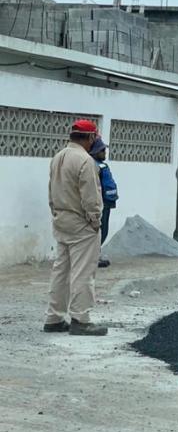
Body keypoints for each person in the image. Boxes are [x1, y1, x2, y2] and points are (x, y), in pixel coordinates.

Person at [44, 120, 108, 336]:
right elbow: (91, 197)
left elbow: (51, 190)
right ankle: (80, 319)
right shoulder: (85, 161)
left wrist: (55, 211)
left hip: (61, 219)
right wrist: (95, 220)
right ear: (90, 138)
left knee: (60, 270)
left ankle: (54, 318)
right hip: (81, 223)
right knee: (83, 272)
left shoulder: (58, 157)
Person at [90, 138, 118, 268]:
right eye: (102, 151)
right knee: (101, 231)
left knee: (103, 230)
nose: (105, 153)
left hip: (107, 201)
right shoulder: (93, 166)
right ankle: (93, 257)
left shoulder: (99, 165)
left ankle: (95, 255)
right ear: (95, 151)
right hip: (101, 202)